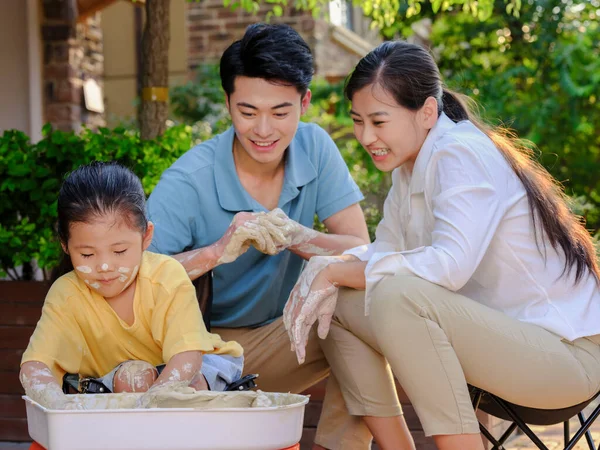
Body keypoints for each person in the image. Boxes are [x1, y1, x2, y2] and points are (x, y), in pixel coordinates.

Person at [284, 40, 600, 450]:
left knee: (395, 294)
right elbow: (385, 253)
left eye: (378, 121)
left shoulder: (461, 154)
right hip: (499, 349)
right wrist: (331, 267)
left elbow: (448, 266)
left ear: (427, 112)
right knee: (341, 303)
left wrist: (336, 269)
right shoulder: (409, 167)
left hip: (563, 361)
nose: (365, 136)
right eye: (358, 121)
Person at [146, 23, 379, 449]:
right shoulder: (189, 179)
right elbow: (136, 277)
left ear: (305, 102)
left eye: (280, 112)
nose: (264, 130)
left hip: (285, 335)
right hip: (201, 355)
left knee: (361, 304)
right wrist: (217, 251)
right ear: (228, 103)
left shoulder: (315, 148)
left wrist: (295, 235)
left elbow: (359, 250)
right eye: (248, 112)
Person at [20, 162, 243, 410]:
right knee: (133, 377)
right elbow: (35, 365)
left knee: (189, 390)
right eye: (86, 255)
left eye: (119, 251)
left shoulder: (167, 275)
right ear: (65, 245)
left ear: (146, 236)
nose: (104, 266)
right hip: (119, 379)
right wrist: (57, 407)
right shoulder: (65, 295)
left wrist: (155, 401)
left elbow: (188, 357)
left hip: (197, 366)